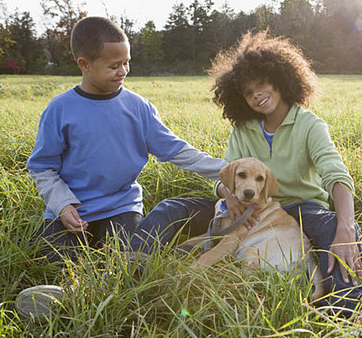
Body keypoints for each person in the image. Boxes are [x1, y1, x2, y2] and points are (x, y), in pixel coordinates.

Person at [17, 16, 225, 318]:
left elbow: (177, 150)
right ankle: (67, 295)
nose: (123, 71)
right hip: (69, 213)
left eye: (126, 62)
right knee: (56, 259)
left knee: (130, 259)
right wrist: (62, 206)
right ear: (84, 64)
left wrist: (227, 171)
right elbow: (42, 167)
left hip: (120, 208)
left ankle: (83, 298)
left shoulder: (138, 107)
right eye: (114, 65)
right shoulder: (60, 109)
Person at [207, 30, 362, 315]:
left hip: (305, 208)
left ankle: (345, 316)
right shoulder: (242, 130)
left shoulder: (310, 125)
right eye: (247, 91)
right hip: (256, 207)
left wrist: (345, 227)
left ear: (281, 79)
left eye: (261, 83)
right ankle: (132, 263)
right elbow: (225, 175)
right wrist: (226, 195)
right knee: (176, 206)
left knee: (340, 231)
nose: (256, 94)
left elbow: (336, 175)